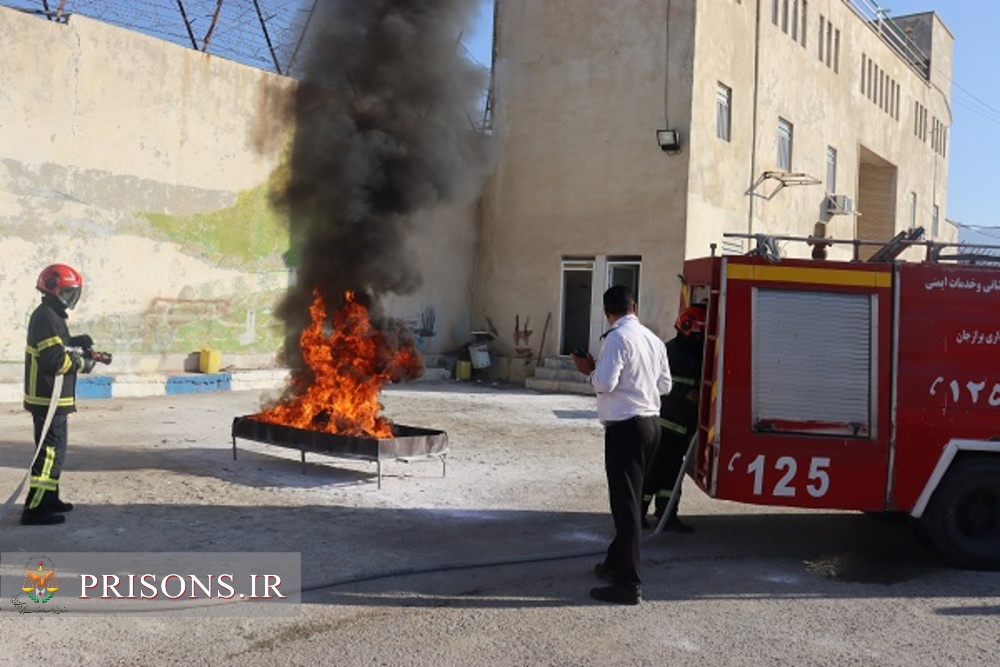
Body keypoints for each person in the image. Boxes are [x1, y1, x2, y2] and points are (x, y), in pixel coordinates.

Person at [572, 285, 671, 605]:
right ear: (635, 307)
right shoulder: (654, 339)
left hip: (626, 428)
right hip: (651, 425)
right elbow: (665, 385)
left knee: (625, 506)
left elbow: (605, 383)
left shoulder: (616, 338)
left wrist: (589, 371)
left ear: (606, 312)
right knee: (630, 498)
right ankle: (615, 563)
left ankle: (628, 584)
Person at [21, 263, 96, 526]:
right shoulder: (46, 317)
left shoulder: (52, 315)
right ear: (52, 289)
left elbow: (57, 346)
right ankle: (35, 508)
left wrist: (76, 343)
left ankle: (49, 499)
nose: (70, 298)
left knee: (56, 452)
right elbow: (53, 361)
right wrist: (83, 363)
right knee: (50, 454)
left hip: (54, 399)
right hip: (47, 399)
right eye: (67, 292)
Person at [641, 303, 706, 533]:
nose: (702, 339)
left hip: (683, 425)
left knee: (673, 474)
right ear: (689, 330)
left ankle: (667, 515)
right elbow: (655, 383)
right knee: (656, 470)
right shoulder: (670, 351)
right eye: (700, 334)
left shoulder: (695, 354)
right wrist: (685, 393)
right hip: (668, 423)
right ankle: (638, 513)